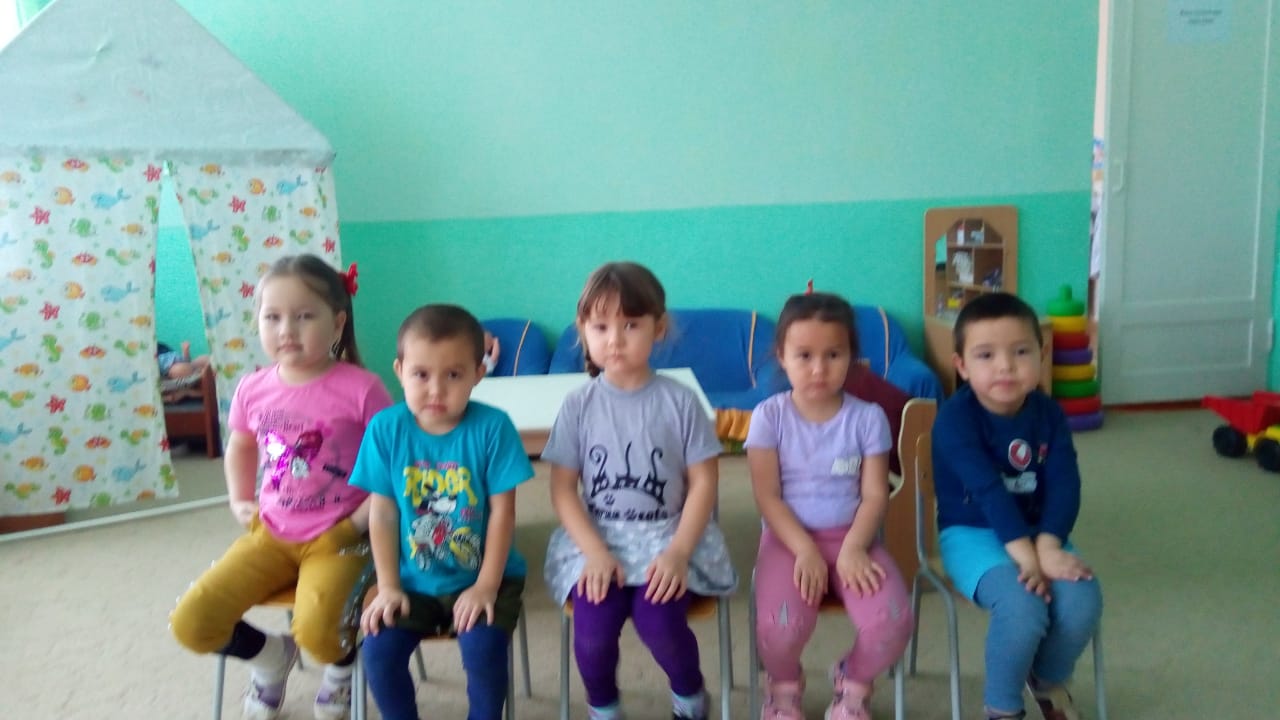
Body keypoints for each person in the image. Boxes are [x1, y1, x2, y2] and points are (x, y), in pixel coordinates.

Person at [169, 255, 392, 720]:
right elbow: (241, 445)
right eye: (272, 317)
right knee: (192, 621)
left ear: (337, 323)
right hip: (271, 531)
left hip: (341, 537)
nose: (286, 330)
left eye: (304, 316)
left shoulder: (363, 388)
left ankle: (341, 671)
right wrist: (239, 499)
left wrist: (355, 523)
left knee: (321, 635)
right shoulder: (253, 388)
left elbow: (392, 464)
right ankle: (273, 658)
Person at [543, 261, 737, 720]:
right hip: (598, 540)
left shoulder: (680, 401)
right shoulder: (578, 405)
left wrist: (679, 552)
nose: (615, 339)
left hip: (668, 536)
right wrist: (594, 552)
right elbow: (562, 489)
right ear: (583, 330)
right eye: (601, 327)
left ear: (658, 327)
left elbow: (704, 482)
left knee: (660, 623)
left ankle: (690, 697)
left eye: (631, 325)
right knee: (593, 630)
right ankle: (604, 708)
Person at [351, 304, 534, 720]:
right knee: (378, 650)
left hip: (486, 575)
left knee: (483, 649)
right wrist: (388, 586)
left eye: (453, 375)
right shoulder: (385, 429)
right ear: (399, 371)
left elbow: (503, 514)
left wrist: (485, 586)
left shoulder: (494, 427)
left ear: (478, 373)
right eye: (421, 374)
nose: (435, 390)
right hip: (411, 579)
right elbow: (382, 515)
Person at [933, 292, 1102, 720]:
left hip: (1038, 531)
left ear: (1042, 356)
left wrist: (1047, 546)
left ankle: (1044, 679)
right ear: (961, 366)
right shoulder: (955, 419)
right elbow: (988, 491)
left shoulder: (1049, 414)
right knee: (1023, 606)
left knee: (1083, 599)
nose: (1005, 366)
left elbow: (1065, 484)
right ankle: (1003, 707)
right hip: (972, 533)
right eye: (986, 355)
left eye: (1021, 351)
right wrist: (1029, 559)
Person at [746, 291, 914, 720]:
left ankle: (852, 682)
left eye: (833, 355)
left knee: (893, 621)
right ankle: (784, 686)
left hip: (852, 537)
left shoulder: (868, 417)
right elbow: (767, 496)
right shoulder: (769, 416)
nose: (819, 368)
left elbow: (875, 494)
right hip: (788, 539)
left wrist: (855, 547)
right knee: (780, 627)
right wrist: (804, 548)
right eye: (804, 355)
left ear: (852, 357)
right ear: (781, 356)